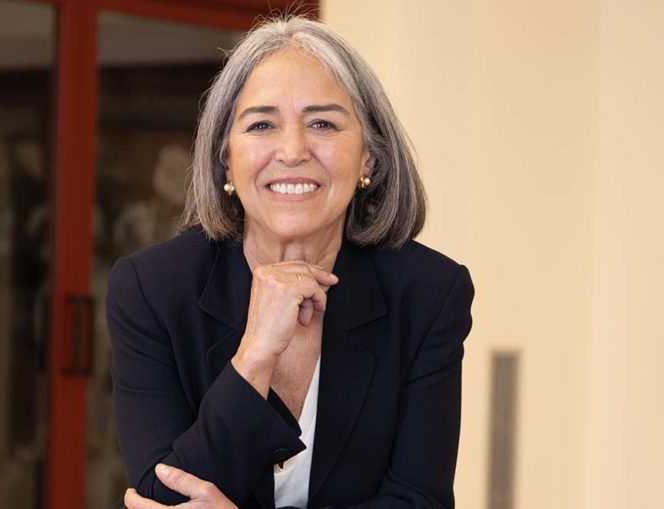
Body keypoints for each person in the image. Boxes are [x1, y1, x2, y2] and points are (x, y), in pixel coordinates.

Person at [107, 15, 474, 509]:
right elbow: (163, 496)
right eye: (262, 125)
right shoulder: (151, 289)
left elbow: (419, 501)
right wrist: (254, 356)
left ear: (367, 158)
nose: (293, 150)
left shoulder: (429, 293)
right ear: (226, 158)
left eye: (323, 123)